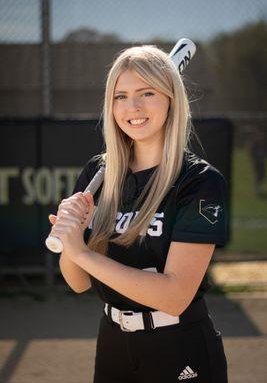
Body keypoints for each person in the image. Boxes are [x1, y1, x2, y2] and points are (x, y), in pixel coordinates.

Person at [48, 45, 228, 383]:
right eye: (121, 96)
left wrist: (81, 253)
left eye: (147, 92)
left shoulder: (200, 183)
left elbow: (174, 297)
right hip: (113, 342)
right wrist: (73, 238)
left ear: (171, 99)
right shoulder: (97, 174)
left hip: (178, 348)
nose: (133, 107)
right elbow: (77, 281)